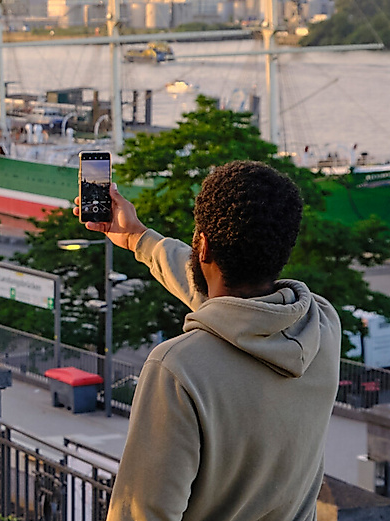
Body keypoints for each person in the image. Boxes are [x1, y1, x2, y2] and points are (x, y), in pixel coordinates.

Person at [91, 161, 342, 521]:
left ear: (203, 245)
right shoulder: (322, 326)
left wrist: (139, 239)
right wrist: (137, 238)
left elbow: (142, 513)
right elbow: (233, 309)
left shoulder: (178, 369)